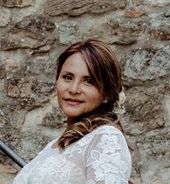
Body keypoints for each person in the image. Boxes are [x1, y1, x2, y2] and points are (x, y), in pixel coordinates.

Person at [13, 39, 132, 184]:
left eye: (88, 81)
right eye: (68, 77)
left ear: (106, 93)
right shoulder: (53, 145)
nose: (74, 89)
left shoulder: (105, 137)